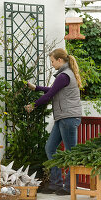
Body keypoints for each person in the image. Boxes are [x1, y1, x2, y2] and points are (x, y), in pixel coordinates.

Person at [24, 48, 82, 195]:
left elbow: (50, 94)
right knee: (50, 148)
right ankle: (56, 183)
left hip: (68, 118)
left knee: (70, 153)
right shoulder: (64, 75)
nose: (51, 64)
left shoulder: (64, 75)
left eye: (52, 61)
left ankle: (69, 187)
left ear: (60, 60)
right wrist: (36, 87)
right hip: (63, 117)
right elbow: (53, 90)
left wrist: (33, 105)